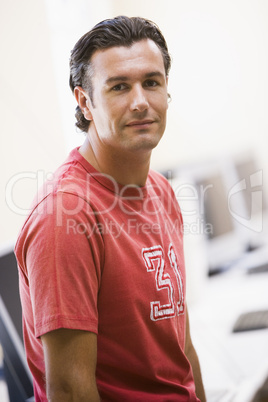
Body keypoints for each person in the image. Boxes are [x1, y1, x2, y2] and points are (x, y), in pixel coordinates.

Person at [15, 16, 206, 402]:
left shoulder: (162, 191)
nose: (140, 101)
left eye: (151, 82)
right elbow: (69, 391)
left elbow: (180, 347)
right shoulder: (65, 214)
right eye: (119, 87)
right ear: (84, 102)